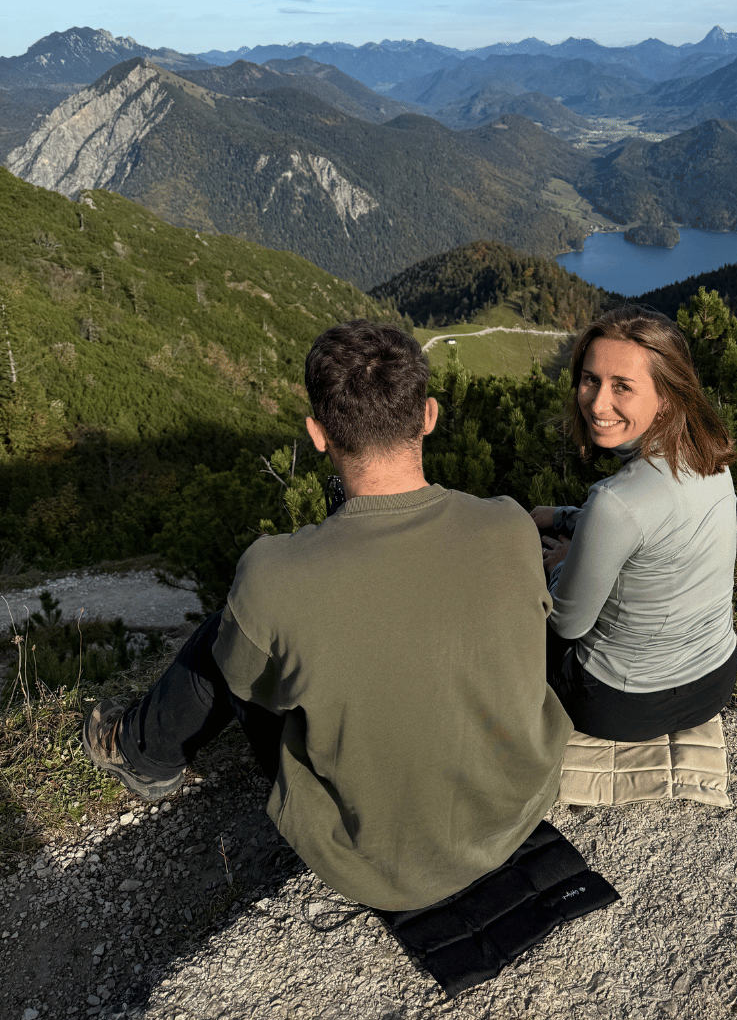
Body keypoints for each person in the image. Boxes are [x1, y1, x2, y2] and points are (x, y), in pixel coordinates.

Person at [82, 320, 572, 912]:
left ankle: (141, 752)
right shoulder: (509, 522)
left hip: (386, 866)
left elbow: (245, 684)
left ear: (317, 434)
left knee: (231, 633)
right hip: (521, 805)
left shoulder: (273, 574)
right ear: (429, 416)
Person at [531, 305, 737, 743]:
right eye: (590, 379)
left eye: (622, 386)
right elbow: (652, 530)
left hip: (619, 703)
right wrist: (568, 519)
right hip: (715, 679)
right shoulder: (710, 457)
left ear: (667, 397)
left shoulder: (616, 502)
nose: (596, 402)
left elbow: (566, 623)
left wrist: (559, 564)